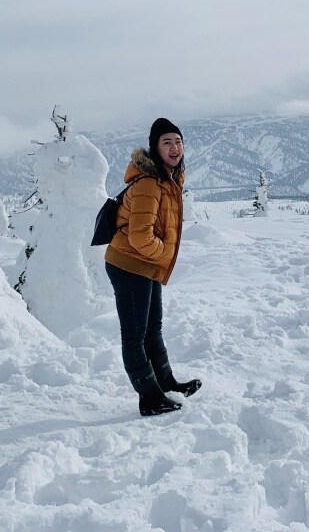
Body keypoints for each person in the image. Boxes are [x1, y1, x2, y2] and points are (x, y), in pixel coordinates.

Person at [104, 118, 202, 416]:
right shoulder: (149, 183)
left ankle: (167, 384)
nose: (175, 147)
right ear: (155, 148)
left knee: (153, 330)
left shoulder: (167, 180)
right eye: (167, 142)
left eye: (178, 141)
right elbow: (139, 236)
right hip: (129, 264)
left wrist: (158, 257)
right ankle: (149, 397)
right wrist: (163, 255)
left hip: (145, 264)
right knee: (135, 334)